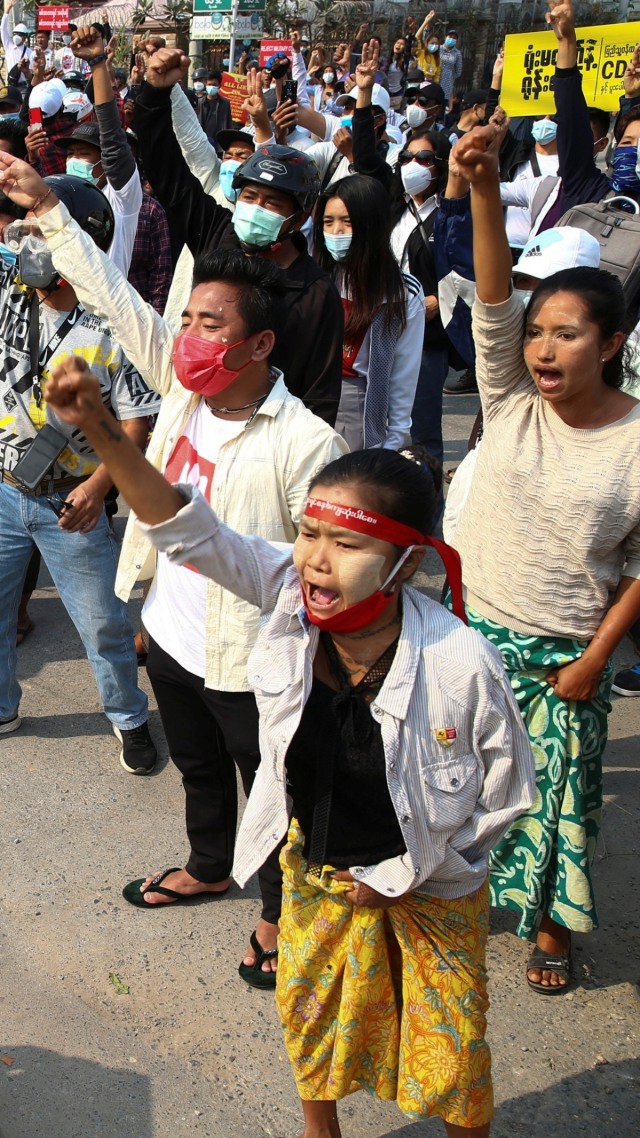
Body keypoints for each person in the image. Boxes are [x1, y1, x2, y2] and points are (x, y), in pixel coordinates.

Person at [42, 369, 536, 1137]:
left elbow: (503, 798)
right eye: (308, 533)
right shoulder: (283, 598)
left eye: (347, 543)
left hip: (430, 891)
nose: (314, 559)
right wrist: (102, 429)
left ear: (409, 564)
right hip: (314, 869)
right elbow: (187, 528)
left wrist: (410, 877)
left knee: (452, 1054)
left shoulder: (462, 664)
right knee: (309, 1023)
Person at [12, 154, 348, 985]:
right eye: (188, 319)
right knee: (197, 767)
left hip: (249, 657)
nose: (190, 337)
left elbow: (314, 571)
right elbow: (117, 298)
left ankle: (276, 914)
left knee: (270, 792)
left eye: (211, 326)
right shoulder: (184, 386)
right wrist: (52, 207)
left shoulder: (307, 445)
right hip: (169, 631)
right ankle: (205, 864)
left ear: (260, 342)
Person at [448, 110, 640, 994]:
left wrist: (597, 657)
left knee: (559, 804)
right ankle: (464, 893)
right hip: (470, 633)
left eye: (567, 333)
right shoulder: (512, 396)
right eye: (539, 333)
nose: (544, 347)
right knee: (463, 784)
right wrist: (484, 187)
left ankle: (555, 932)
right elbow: (492, 301)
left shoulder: (636, 442)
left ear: (612, 344)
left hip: (567, 653)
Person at [0, 165, 160, 772]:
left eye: (38, 235)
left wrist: (99, 486)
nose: (24, 247)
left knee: (103, 624)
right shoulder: (10, 291)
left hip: (72, 500)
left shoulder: (117, 323)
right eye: (22, 236)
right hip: (3, 487)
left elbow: (138, 423)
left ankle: (128, 716)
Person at [134, 43, 343, 426]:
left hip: (266, 444)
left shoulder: (315, 293)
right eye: (249, 196)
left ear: (298, 218)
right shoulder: (216, 230)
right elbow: (165, 166)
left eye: (272, 203)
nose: (255, 208)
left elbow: (320, 397)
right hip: (191, 420)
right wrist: (154, 92)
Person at [314, 173, 424, 451]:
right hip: (305, 398)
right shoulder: (313, 275)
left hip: (354, 406)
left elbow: (403, 371)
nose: (336, 231)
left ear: (371, 226)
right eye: (328, 222)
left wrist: (396, 436)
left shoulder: (401, 292)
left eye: (347, 222)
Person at [194, 69, 231, 143]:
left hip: (219, 144)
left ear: (219, 86)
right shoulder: (199, 103)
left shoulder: (225, 103)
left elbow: (228, 124)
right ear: (206, 85)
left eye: (214, 85)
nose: (211, 87)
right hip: (203, 142)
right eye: (209, 84)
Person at [1, 1, 32, 89]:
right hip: (11, 84)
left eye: (20, 34)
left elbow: (31, 72)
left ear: (25, 37)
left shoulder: (29, 52)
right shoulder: (9, 47)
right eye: (15, 34)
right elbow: (2, 28)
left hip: (24, 86)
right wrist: (7, 10)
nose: (17, 36)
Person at [440, 28, 463, 112]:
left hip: (447, 85)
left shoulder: (457, 53)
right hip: (436, 80)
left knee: (441, 109)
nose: (452, 39)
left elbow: (458, 71)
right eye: (450, 36)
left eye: (454, 38)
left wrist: (450, 76)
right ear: (445, 37)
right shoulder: (439, 49)